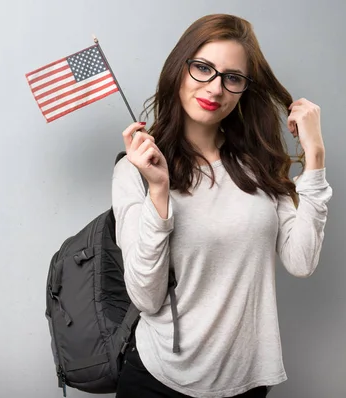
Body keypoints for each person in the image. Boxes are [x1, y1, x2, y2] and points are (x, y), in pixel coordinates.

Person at [111, 13, 333, 398]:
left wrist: (314, 155)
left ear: (244, 88)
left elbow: (302, 261)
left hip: (246, 382)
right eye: (202, 68)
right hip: (160, 380)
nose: (214, 89)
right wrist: (159, 192)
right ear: (179, 69)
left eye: (232, 77)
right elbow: (145, 297)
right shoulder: (134, 170)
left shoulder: (257, 164)